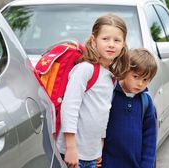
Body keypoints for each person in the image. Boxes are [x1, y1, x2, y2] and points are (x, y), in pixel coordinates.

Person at [56, 13, 130, 168]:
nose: (111, 44)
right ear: (94, 39)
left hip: (92, 155)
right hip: (72, 153)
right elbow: (69, 107)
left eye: (117, 40)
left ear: (123, 44)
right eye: (105, 39)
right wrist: (70, 148)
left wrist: (99, 149)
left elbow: (102, 113)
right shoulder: (85, 69)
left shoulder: (110, 75)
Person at [102, 48, 158, 168]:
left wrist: (147, 164)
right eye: (136, 76)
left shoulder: (146, 102)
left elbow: (150, 139)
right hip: (108, 163)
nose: (140, 84)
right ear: (124, 71)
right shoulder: (110, 94)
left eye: (145, 80)